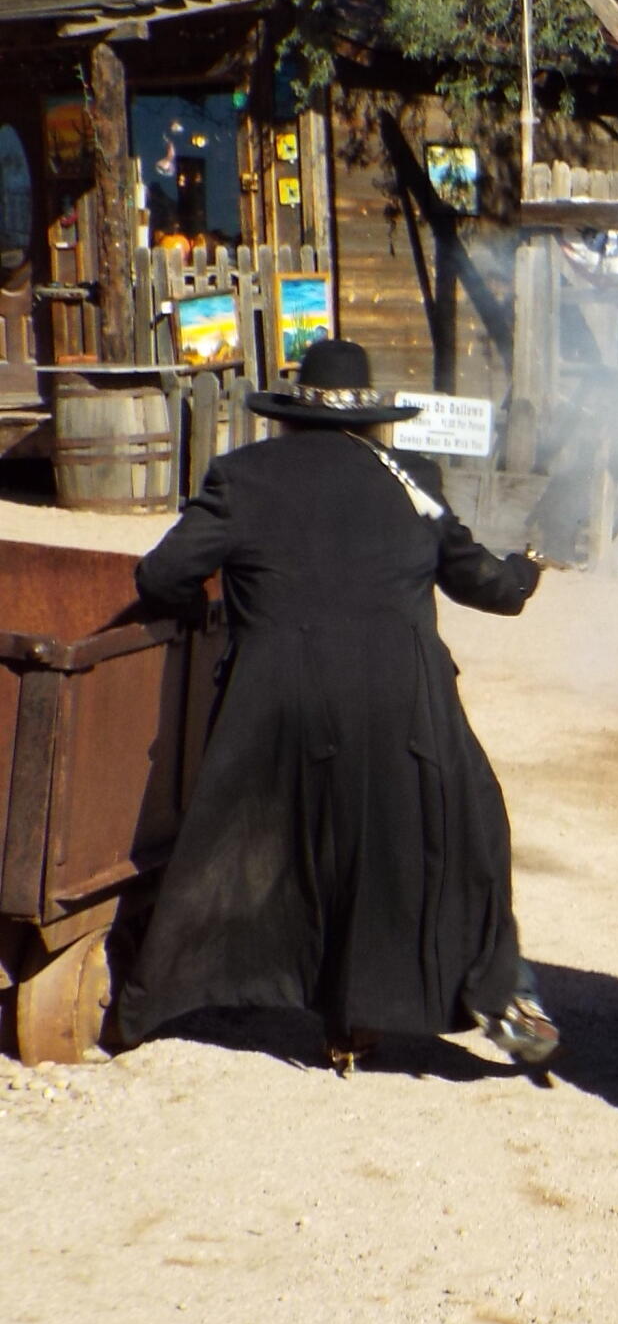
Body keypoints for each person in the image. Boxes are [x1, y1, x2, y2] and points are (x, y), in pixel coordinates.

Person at [118, 341, 554, 1070]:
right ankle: (493, 999)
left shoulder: (242, 475)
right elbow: (491, 590)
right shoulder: (412, 478)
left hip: (277, 705)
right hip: (402, 707)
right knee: (463, 834)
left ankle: (139, 1012)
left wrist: (206, 605)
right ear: (374, 418)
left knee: (243, 848)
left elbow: (162, 576)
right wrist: (527, 568)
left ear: (289, 414)